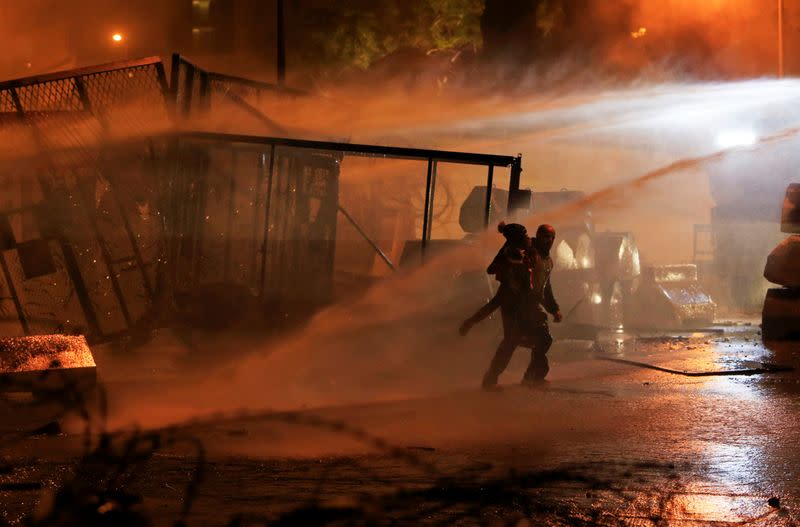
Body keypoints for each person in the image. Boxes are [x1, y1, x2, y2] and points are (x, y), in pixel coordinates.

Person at [462, 223, 563, 390]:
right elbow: (505, 288)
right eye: (546, 236)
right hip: (514, 304)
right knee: (511, 342)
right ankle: (491, 379)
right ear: (538, 236)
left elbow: (544, 287)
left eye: (552, 237)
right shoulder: (526, 254)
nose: (549, 240)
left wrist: (553, 309)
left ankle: (532, 376)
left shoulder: (547, 261)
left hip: (530, 305)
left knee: (544, 339)